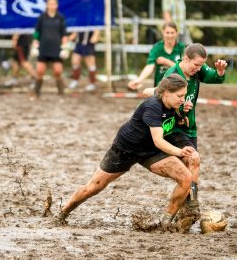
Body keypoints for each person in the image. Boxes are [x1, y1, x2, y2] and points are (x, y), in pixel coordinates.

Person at [55, 74, 198, 227]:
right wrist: (179, 151)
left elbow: (162, 129)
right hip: (126, 149)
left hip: (152, 151)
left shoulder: (174, 104)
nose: (184, 99)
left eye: (184, 95)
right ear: (167, 93)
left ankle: (166, 223)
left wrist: (181, 115)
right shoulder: (152, 106)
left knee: (186, 178)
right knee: (94, 187)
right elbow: (158, 140)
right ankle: (63, 212)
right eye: (180, 96)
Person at [143, 43, 227, 217]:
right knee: (184, 173)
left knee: (193, 163)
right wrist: (181, 111)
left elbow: (212, 77)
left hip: (190, 128)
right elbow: (164, 104)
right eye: (196, 65)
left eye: (201, 65)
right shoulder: (172, 75)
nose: (199, 68)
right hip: (174, 129)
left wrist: (219, 72)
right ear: (186, 59)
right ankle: (180, 207)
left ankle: (191, 206)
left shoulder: (197, 69)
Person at [128, 22, 184, 91]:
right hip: (160, 87)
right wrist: (139, 79)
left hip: (178, 87)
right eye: (167, 32)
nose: (170, 35)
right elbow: (150, 65)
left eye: (172, 33)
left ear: (176, 33)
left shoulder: (182, 47)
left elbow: (184, 69)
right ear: (163, 32)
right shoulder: (157, 48)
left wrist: (167, 62)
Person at [31, 0, 68, 97]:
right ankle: (36, 92)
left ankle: (61, 92)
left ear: (57, 5)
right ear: (47, 5)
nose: (52, 6)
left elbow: (64, 34)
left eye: (54, 4)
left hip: (56, 49)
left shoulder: (61, 18)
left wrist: (65, 48)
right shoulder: (41, 17)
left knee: (58, 71)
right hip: (43, 48)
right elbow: (37, 33)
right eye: (50, 4)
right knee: (40, 71)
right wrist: (35, 46)